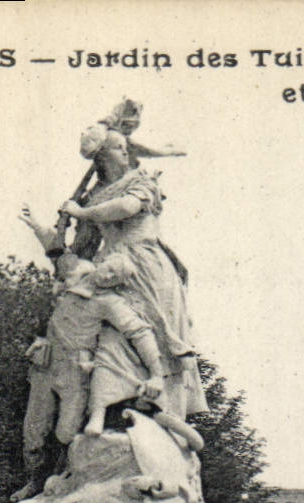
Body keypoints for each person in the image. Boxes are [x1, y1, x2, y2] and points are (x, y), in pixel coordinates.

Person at [61, 122, 207, 423]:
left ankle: (168, 415)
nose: (126, 152)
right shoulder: (94, 195)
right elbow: (83, 245)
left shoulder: (140, 181)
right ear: (102, 156)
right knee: (112, 337)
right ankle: (110, 412)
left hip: (148, 267)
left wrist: (81, 212)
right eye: (118, 148)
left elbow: (126, 208)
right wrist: (62, 244)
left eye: (126, 147)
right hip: (113, 270)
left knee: (159, 338)